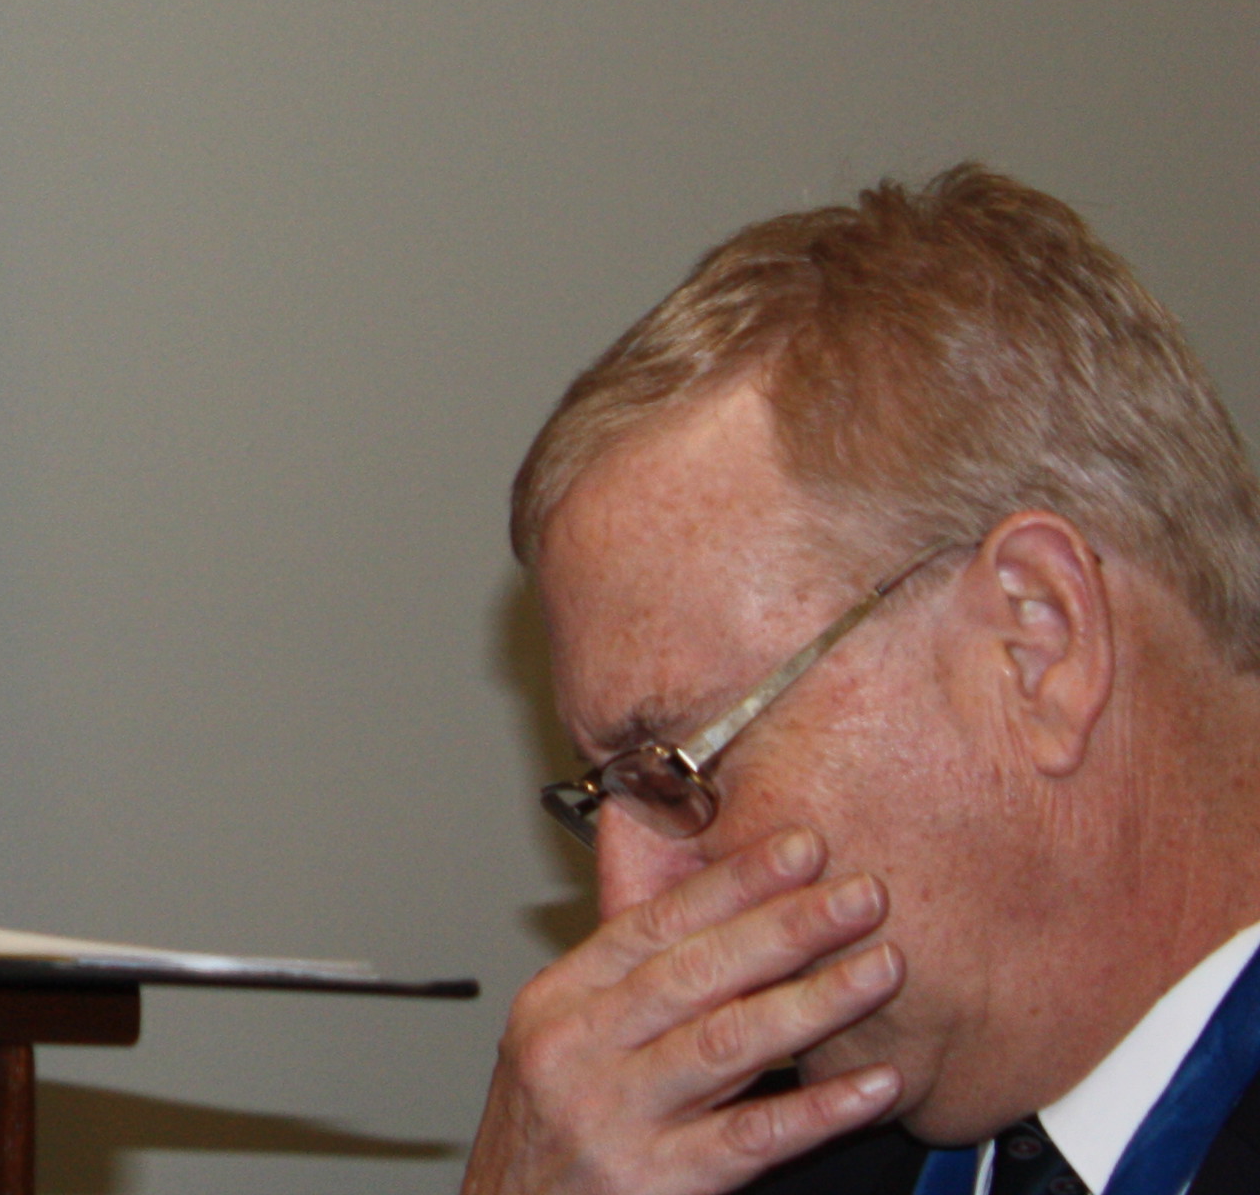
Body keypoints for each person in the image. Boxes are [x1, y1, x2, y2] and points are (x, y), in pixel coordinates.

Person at [467, 167, 1260, 1195]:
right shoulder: (705, 1167)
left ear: (1038, 642)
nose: (627, 908)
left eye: (675, 772)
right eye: (611, 798)